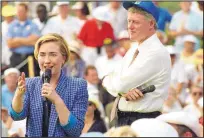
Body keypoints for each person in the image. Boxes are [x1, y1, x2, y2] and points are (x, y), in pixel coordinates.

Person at [102, 1, 171, 126]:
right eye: (129, 21)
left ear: (151, 24)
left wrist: (118, 87)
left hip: (143, 120)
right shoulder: (134, 48)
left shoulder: (156, 52)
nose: (130, 26)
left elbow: (120, 84)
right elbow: (109, 79)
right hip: (128, 118)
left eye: (136, 22)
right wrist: (122, 91)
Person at [9, 33, 88, 137]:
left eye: (53, 54)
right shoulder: (30, 83)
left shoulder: (78, 85)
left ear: (63, 58)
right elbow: (17, 116)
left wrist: (57, 100)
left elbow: (75, 131)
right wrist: (18, 95)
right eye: (42, 54)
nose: (47, 60)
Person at [7, 3, 41, 77]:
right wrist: (28, 40)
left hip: (30, 58)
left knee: (31, 81)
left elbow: (35, 42)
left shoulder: (33, 25)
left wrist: (17, 39)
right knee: (15, 82)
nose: (19, 13)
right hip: (15, 58)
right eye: (18, 11)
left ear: (26, 11)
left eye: (21, 11)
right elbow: (10, 44)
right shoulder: (11, 26)